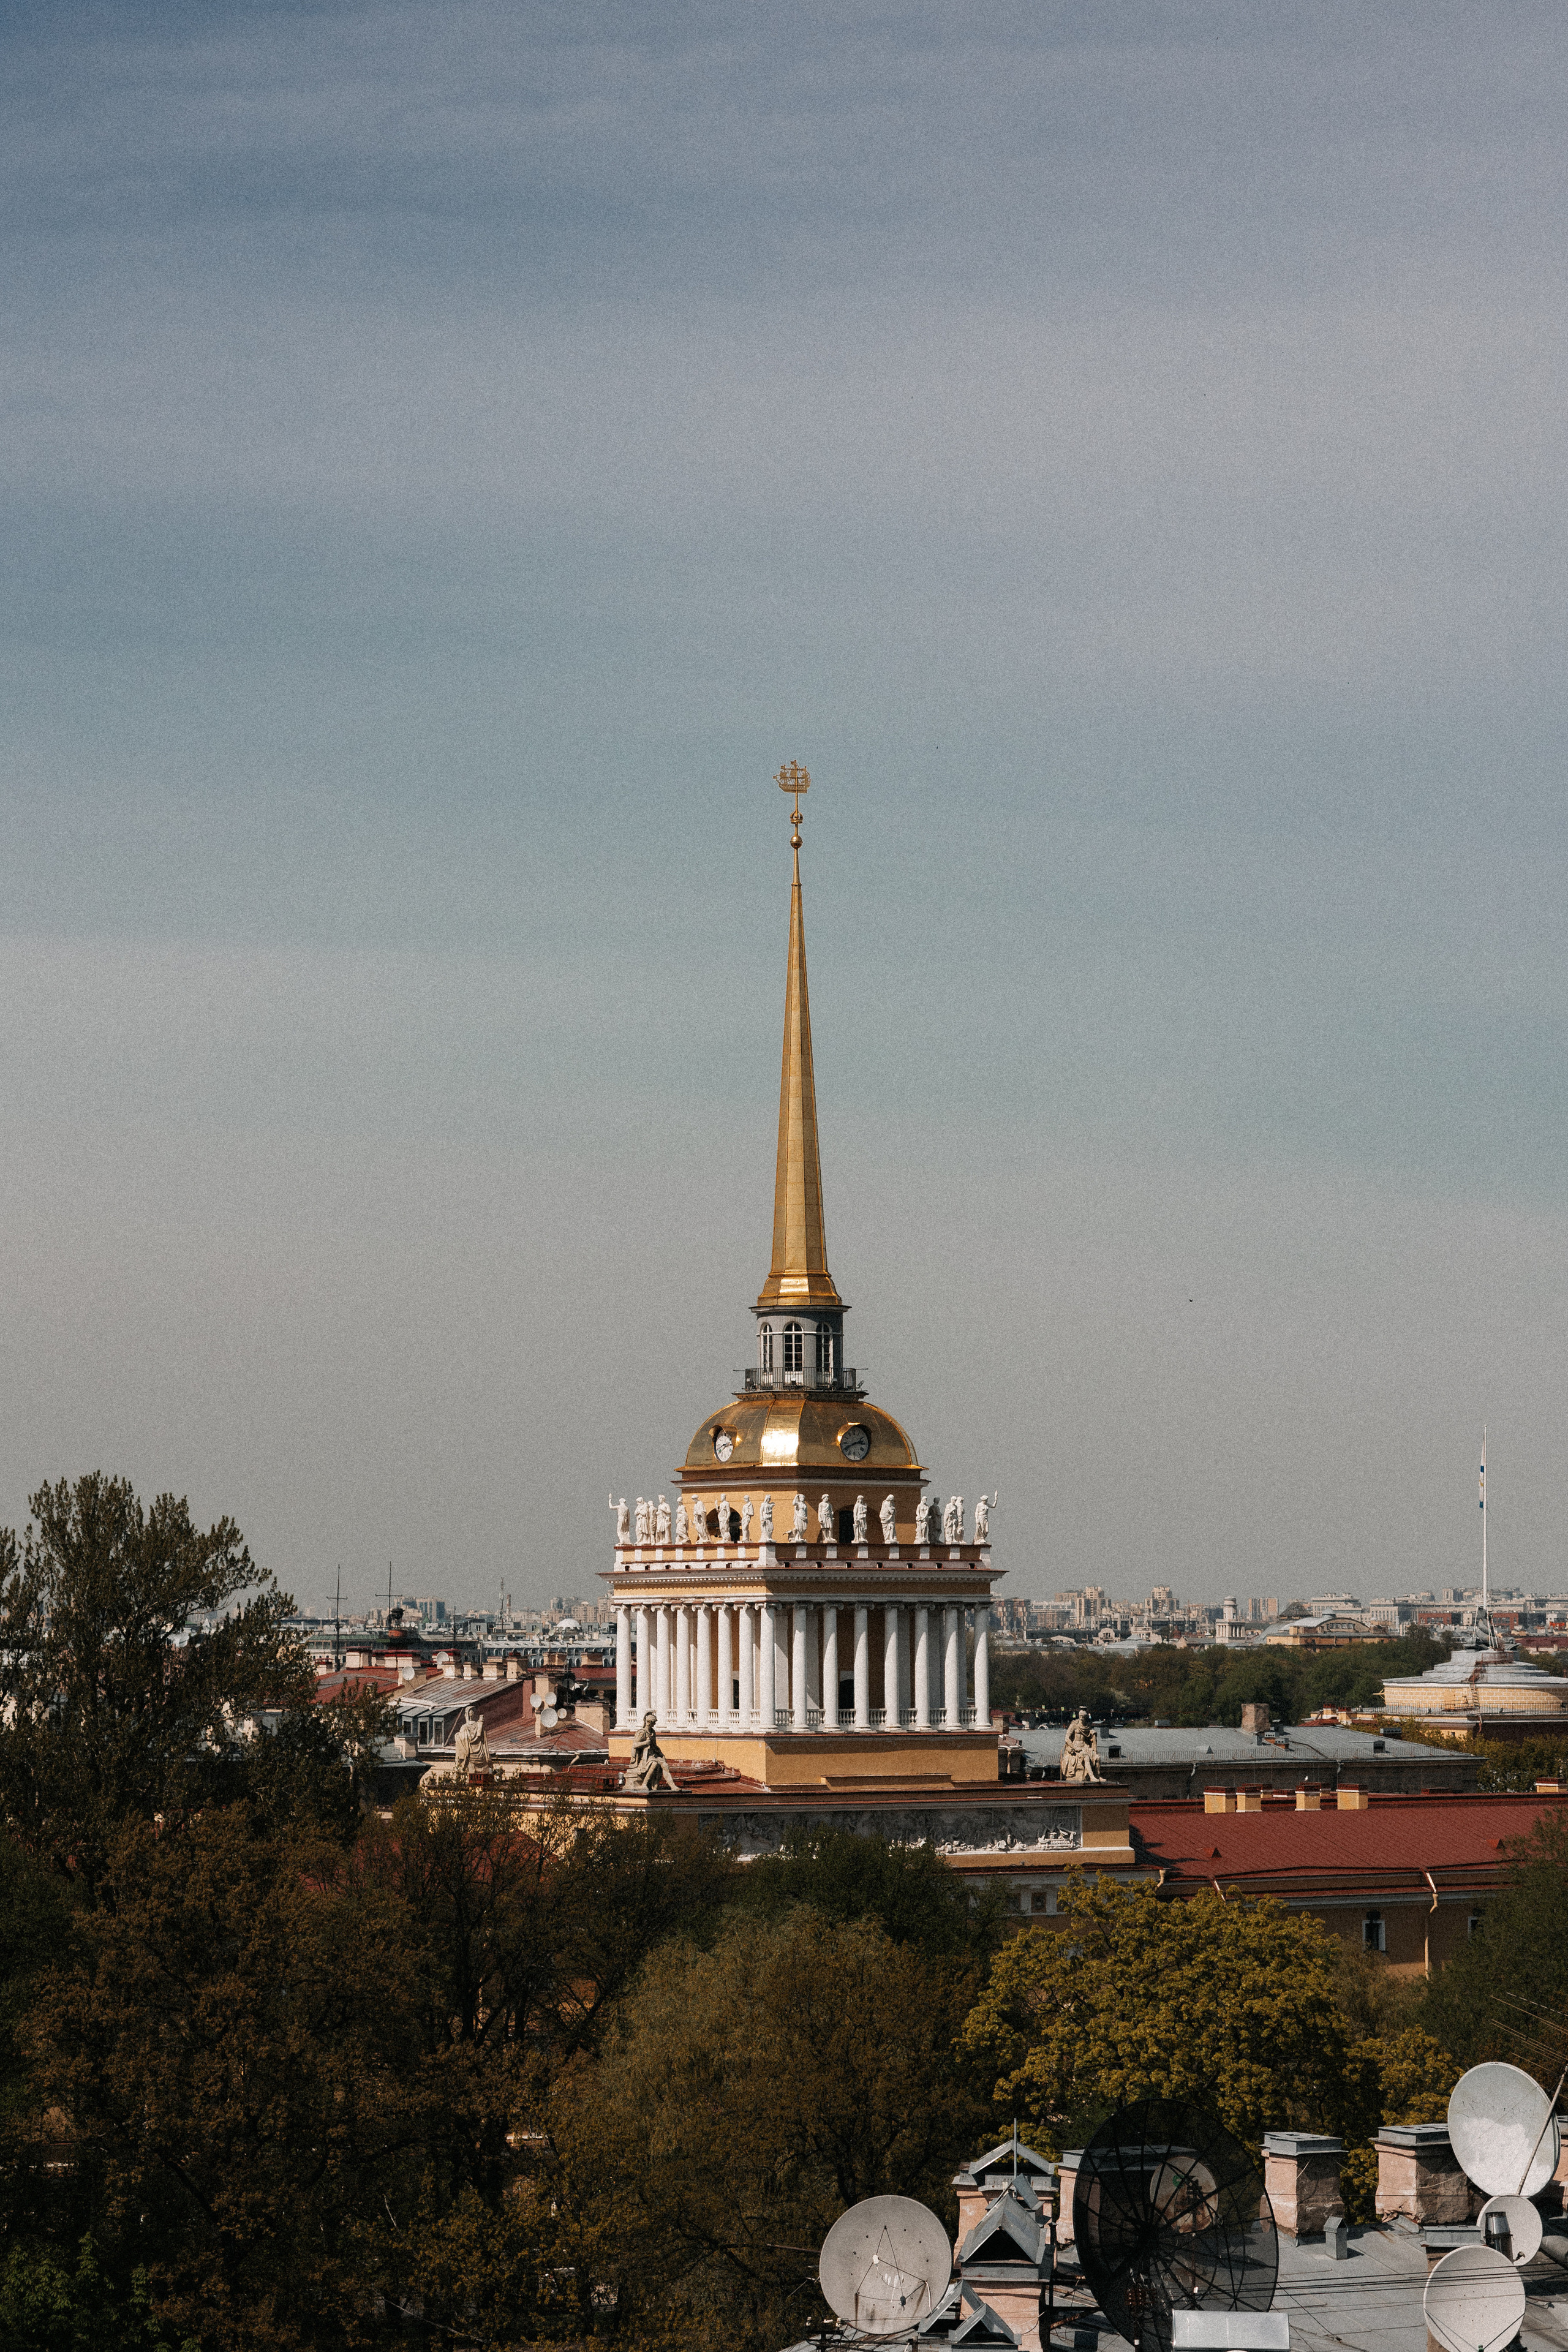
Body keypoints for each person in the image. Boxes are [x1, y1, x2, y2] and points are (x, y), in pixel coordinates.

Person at [623, 1712, 677, 1794]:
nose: (655, 1724)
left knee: (665, 1765)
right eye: (654, 1722)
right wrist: (645, 1743)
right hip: (644, 1757)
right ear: (649, 1722)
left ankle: (673, 1786)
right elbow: (635, 1745)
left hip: (653, 1754)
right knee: (654, 1763)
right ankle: (644, 1784)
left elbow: (655, 1746)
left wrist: (662, 1755)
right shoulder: (642, 1732)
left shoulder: (653, 1732)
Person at [1058, 1706, 1105, 1784]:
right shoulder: (1074, 1725)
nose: (1082, 1719)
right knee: (1086, 1757)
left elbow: (1088, 1735)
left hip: (1085, 1746)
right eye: (1081, 1717)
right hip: (1076, 1747)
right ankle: (1092, 1777)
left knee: (1097, 1758)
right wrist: (1074, 1747)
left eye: (1084, 1717)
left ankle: (1097, 1776)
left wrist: (1092, 1733)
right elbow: (1067, 1738)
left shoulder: (1087, 1726)